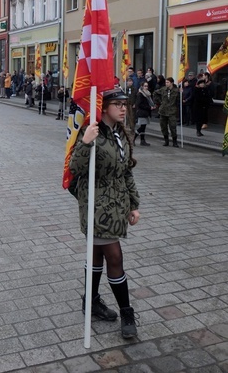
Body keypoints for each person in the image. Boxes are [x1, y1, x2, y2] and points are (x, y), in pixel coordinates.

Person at [69, 88, 140, 339]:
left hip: (117, 205)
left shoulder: (120, 134)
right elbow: (74, 168)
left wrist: (134, 204)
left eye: (125, 104)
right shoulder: (93, 132)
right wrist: (86, 141)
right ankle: (127, 312)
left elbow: (126, 171)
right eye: (117, 104)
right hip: (97, 206)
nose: (123, 108)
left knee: (96, 254)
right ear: (104, 106)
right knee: (114, 256)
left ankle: (91, 302)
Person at [153, 77, 180, 147]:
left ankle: (175, 141)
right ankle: (166, 140)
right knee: (163, 126)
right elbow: (155, 93)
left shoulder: (176, 91)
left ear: (172, 83)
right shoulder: (163, 89)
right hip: (163, 111)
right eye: (166, 82)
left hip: (172, 111)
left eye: (168, 82)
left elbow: (179, 100)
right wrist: (159, 101)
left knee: (173, 127)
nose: (166, 84)